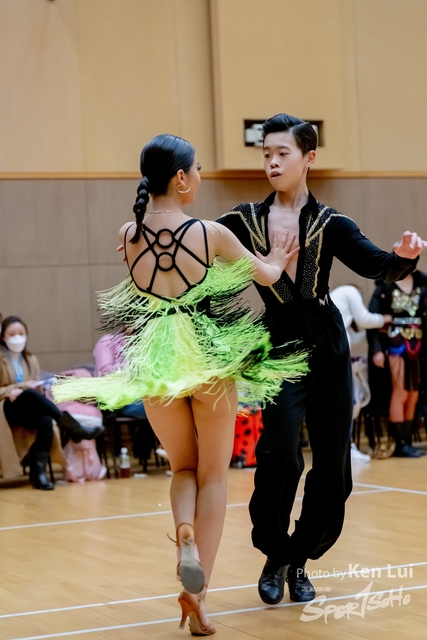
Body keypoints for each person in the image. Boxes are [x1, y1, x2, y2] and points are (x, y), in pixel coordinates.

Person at [53, 133, 309, 635]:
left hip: (156, 364)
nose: (200, 177)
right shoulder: (210, 233)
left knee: (183, 470)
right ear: (180, 178)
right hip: (207, 359)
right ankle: (198, 594)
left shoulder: (129, 233)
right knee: (214, 477)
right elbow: (264, 276)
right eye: (197, 170)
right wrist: (278, 257)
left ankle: (184, 532)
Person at [216, 113, 427, 606]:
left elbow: (378, 264)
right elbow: (194, 243)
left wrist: (403, 256)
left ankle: (300, 558)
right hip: (277, 345)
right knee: (278, 451)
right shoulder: (241, 221)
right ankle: (275, 553)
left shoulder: (332, 223)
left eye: (282, 153)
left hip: (327, 344)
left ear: (309, 158)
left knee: (333, 463)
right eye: (266, 154)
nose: (272, 162)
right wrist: (145, 236)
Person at [0, 316, 104, 490]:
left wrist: (34, 387)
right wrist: (16, 388)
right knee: (28, 394)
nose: (17, 338)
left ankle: (38, 475)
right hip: (5, 406)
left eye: (21, 333)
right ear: (3, 337)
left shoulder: (30, 358)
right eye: (12, 334)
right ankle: (73, 427)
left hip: (27, 405)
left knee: (45, 420)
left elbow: (36, 387)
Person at [330, 284, 393, 463]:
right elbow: (364, 318)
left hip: (331, 356)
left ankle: (341, 448)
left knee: (340, 404)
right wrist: (384, 318)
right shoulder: (350, 291)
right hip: (336, 358)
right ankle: (347, 448)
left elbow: (356, 336)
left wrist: (374, 329)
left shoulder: (338, 307)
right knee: (348, 402)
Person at [367, 270, 427, 457]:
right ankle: (399, 442)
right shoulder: (385, 285)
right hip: (395, 344)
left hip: (418, 344)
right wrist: (376, 349)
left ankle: (407, 441)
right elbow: (372, 320)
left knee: (413, 394)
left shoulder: (422, 283)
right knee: (400, 391)